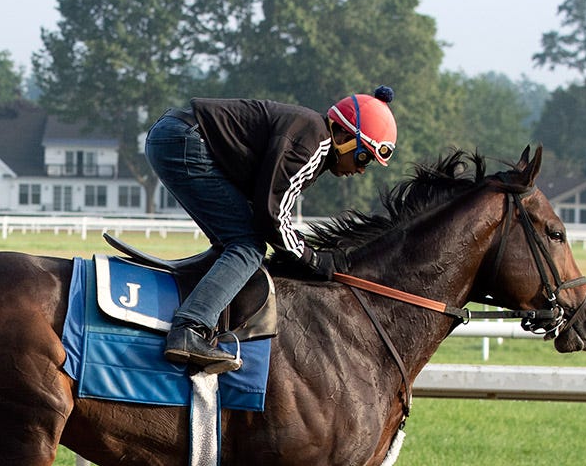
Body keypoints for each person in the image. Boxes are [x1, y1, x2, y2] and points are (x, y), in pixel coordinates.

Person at [144, 86, 398, 373]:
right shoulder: (312, 143)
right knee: (248, 246)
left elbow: (267, 209)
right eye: (364, 157)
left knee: (235, 241)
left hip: (178, 134)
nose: (362, 169)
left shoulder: (312, 138)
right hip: (184, 139)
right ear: (344, 137)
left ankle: (204, 313)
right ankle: (190, 328)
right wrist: (311, 259)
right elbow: (271, 218)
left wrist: (300, 251)